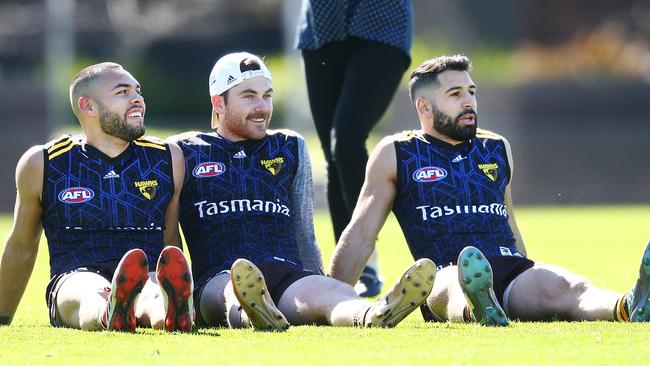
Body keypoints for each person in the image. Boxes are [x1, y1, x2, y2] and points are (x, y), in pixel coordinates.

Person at [329, 54, 650, 325]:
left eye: (471, 91)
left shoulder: (496, 147)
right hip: (443, 271)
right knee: (454, 284)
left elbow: (508, 222)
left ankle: (627, 304)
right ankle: (477, 310)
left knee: (563, 286)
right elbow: (361, 233)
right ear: (424, 108)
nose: (468, 101)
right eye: (455, 94)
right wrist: (334, 297)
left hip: (508, 265)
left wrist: (529, 276)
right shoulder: (397, 152)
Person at [169, 52, 434, 331]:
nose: (262, 107)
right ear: (218, 103)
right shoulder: (183, 151)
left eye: (267, 96)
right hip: (218, 276)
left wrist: (320, 279)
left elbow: (304, 232)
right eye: (248, 96)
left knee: (337, 294)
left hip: (286, 274)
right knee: (230, 294)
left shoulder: (290, 146)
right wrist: (173, 294)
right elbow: (169, 233)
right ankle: (253, 314)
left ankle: (371, 314)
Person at [0, 62, 194, 332]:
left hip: (146, 272)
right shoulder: (44, 162)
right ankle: (111, 311)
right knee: (88, 291)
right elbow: (22, 246)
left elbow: (169, 241)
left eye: (137, 91)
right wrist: (2, 318)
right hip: (75, 276)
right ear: (87, 106)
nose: (137, 99)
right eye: (123, 92)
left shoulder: (166, 157)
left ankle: (170, 314)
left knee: (151, 293)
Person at [295, 0, 413, 297]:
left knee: (346, 138)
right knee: (334, 155)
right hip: (321, 29)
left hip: (382, 26)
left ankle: (365, 254)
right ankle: (346, 269)